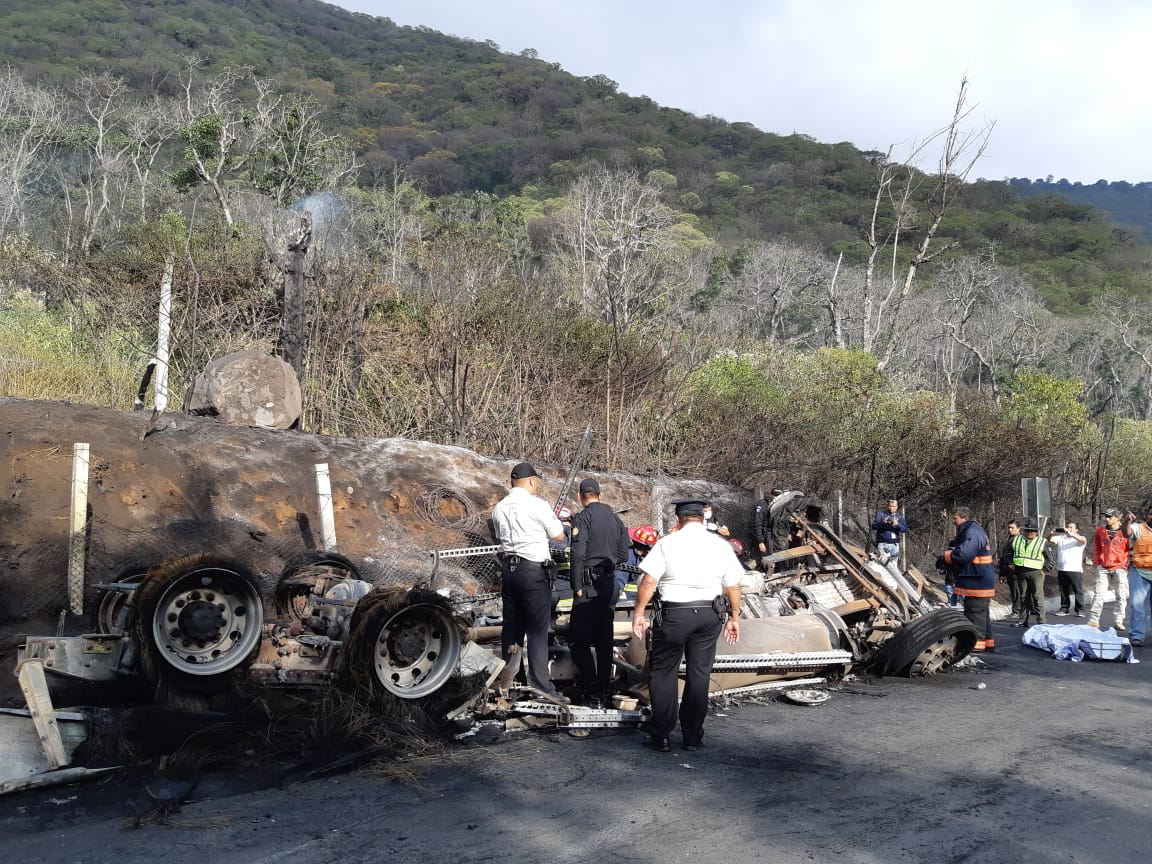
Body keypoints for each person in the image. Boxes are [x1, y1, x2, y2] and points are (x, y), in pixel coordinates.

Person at [632, 498, 744, 753]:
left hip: (674, 614)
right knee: (699, 673)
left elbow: (649, 581)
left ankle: (661, 735)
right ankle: (692, 737)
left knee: (663, 672)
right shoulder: (720, 545)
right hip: (709, 614)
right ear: (703, 518)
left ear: (678, 519)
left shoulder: (667, 543)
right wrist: (734, 617)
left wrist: (639, 612)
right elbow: (734, 585)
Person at [491, 461, 569, 704]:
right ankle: (541, 688)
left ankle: (512, 685)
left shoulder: (499, 508)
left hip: (509, 571)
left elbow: (498, 536)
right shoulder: (537, 504)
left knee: (512, 630)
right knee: (537, 631)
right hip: (533, 572)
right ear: (532, 481)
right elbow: (558, 536)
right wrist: (562, 525)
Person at [567, 477, 630, 706]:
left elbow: (577, 554)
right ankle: (605, 685)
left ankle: (591, 687)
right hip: (609, 582)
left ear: (580, 496)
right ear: (600, 495)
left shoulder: (582, 518)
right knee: (604, 637)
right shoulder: (615, 519)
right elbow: (624, 554)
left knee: (578, 639)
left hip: (588, 584)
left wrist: (576, 586)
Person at [936, 506, 996, 652]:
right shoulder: (974, 530)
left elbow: (963, 554)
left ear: (964, 517)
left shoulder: (972, 532)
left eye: (955, 518)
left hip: (977, 581)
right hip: (979, 578)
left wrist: (946, 557)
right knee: (982, 613)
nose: (953, 521)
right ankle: (987, 643)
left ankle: (976, 644)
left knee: (974, 613)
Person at [1089, 508, 1131, 631]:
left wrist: (1125, 564)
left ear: (1118, 518)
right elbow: (1097, 547)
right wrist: (1097, 562)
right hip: (1103, 566)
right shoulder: (1100, 531)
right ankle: (1094, 619)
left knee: (1121, 595)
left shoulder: (1125, 532)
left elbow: (1130, 548)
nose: (1107, 519)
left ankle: (1119, 620)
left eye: (1110, 517)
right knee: (1098, 593)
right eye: (1106, 516)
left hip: (1120, 566)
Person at [1011, 521, 1049, 627]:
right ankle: (1023, 620)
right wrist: (1010, 564)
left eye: (1033, 531)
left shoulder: (1042, 542)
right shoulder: (1017, 540)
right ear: (1024, 531)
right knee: (1023, 596)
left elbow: (1050, 558)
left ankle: (1041, 622)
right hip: (1021, 571)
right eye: (1028, 530)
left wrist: (1045, 570)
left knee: (1037, 597)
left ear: (1036, 532)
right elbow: (1008, 553)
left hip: (1036, 572)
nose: (1030, 533)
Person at [1048, 521, 1087, 617]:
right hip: (1062, 569)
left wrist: (1072, 534)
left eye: (1071, 527)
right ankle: (1064, 608)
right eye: (1067, 527)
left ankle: (1080, 609)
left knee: (1077, 590)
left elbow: (1083, 540)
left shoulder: (1079, 539)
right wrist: (1050, 533)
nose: (1068, 529)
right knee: (1063, 590)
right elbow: (1050, 539)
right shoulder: (1061, 538)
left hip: (1075, 570)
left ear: (1076, 530)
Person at [1126, 505, 1152, 648]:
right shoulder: (1138, 528)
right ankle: (1137, 635)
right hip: (1139, 571)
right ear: (1147, 515)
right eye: (1151, 514)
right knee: (1138, 605)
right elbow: (1127, 532)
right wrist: (1127, 522)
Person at [752, 489, 783, 569]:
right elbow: (757, 523)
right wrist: (760, 541)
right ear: (771, 495)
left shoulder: (778, 504)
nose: (777, 498)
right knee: (769, 558)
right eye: (775, 496)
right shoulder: (763, 504)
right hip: (766, 535)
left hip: (776, 536)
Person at [871, 498, 908, 566]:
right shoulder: (881, 514)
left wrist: (898, 524)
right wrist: (882, 522)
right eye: (890, 506)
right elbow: (873, 526)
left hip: (895, 545)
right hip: (883, 543)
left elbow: (905, 530)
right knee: (881, 564)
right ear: (887, 506)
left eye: (893, 506)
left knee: (893, 566)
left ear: (896, 507)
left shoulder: (899, 517)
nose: (891, 508)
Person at [998, 520, 1023, 618]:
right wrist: (1002, 573)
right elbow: (1004, 557)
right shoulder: (1010, 539)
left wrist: (1016, 567)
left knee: (1017, 591)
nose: (1009, 529)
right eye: (1009, 527)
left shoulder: (1020, 540)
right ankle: (1017, 610)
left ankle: (1017, 611)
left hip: (1016, 570)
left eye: (1012, 528)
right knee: (1014, 591)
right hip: (1008, 570)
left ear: (1018, 529)